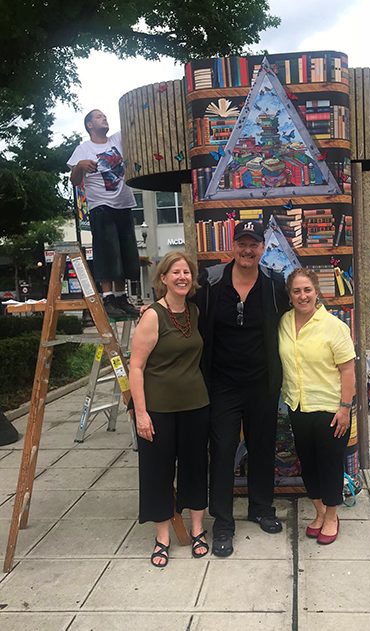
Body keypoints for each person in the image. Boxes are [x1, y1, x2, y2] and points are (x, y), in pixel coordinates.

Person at [194, 221, 290, 557]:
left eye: (254, 244)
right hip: (222, 383)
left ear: (263, 248)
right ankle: (223, 521)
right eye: (242, 243)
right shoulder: (211, 280)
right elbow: (182, 304)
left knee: (262, 445)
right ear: (233, 245)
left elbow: (297, 318)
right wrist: (155, 309)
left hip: (262, 382)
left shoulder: (275, 283)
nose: (247, 250)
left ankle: (261, 507)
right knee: (222, 450)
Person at [129, 251, 210, 567]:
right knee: (158, 472)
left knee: (195, 468)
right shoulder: (152, 315)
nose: (182, 277)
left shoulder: (194, 311)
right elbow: (136, 367)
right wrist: (140, 412)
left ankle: (198, 529)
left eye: (187, 272)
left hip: (196, 404)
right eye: (175, 272)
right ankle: (162, 536)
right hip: (158, 410)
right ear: (163, 278)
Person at [278, 268, 356, 545]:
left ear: (316, 292)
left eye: (307, 290)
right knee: (308, 465)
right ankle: (320, 511)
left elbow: (348, 369)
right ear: (289, 295)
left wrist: (345, 407)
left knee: (329, 466)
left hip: (330, 410)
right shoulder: (284, 323)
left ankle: (332, 516)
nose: (302, 296)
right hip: (298, 407)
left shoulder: (334, 326)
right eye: (297, 291)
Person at [67, 109, 139, 319]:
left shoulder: (117, 139)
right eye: (98, 117)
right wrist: (80, 166)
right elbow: (74, 180)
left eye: (104, 116)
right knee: (108, 251)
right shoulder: (83, 149)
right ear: (89, 125)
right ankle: (107, 297)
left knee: (125, 251)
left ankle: (120, 296)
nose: (104, 118)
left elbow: (132, 121)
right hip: (101, 205)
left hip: (123, 203)